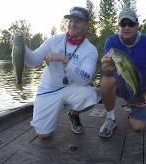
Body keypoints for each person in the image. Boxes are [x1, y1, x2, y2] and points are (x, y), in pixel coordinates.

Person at [24, 7, 98, 139]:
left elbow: (85, 79)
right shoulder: (54, 40)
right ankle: (55, 108)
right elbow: (33, 61)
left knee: (91, 95)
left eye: (78, 21)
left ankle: (73, 114)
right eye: (71, 20)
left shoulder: (90, 50)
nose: (72, 24)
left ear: (86, 25)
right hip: (48, 89)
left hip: (70, 88)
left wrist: (63, 59)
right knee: (44, 135)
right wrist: (21, 47)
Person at [98, 7, 146, 138]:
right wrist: (105, 67)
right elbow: (108, 71)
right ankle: (110, 118)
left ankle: (134, 104)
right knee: (106, 81)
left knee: (138, 127)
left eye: (131, 24)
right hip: (119, 83)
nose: (126, 27)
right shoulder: (111, 42)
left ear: (137, 25)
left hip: (138, 86)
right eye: (123, 24)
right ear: (119, 26)